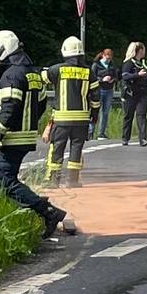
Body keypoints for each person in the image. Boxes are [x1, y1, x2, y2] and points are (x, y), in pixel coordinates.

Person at [0, 30, 45, 188]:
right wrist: (29, 121)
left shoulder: (12, 75)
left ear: (2, 52)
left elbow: (10, 108)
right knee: (1, 178)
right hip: (27, 135)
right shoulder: (32, 72)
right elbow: (42, 102)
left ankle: (47, 211)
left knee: (5, 180)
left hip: (13, 137)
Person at [47, 37, 93, 187]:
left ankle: (54, 180)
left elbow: (41, 78)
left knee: (57, 148)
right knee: (76, 148)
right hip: (82, 119)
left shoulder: (57, 69)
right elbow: (96, 98)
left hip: (61, 119)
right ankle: (72, 180)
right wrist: (95, 116)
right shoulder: (88, 71)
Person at [120, 42, 147, 145]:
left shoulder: (144, 63)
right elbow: (125, 76)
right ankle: (125, 138)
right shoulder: (128, 63)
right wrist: (137, 74)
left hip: (143, 92)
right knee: (128, 115)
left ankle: (143, 139)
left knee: (142, 115)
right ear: (139, 51)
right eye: (143, 50)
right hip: (131, 93)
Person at [89, 47, 117, 140]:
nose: (108, 61)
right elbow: (92, 78)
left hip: (109, 90)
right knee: (95, 110)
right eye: (107, 59)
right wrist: (102, 79)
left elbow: (116, 76)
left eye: (110, 59)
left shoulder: (112, 65)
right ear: (103, 56)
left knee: (105, 112)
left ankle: (101, 133)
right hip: (99, 89)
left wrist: (112, 79)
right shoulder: (96, 65)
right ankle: (90, 131)